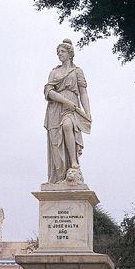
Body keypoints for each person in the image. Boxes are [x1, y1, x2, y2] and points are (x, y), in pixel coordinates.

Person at [44, 38, 92, 185]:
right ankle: (59, 176)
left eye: (63, 51)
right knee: (56, 143)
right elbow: (48, 92)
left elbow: (83, 92)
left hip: (72, 108)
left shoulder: (77, 71)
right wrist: (65, 101)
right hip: (56, 108)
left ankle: (74, 164)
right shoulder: (54, 72)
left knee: (67, 126)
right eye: (58, 52)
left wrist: (88, 112)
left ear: (70, 53)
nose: (60, 54)